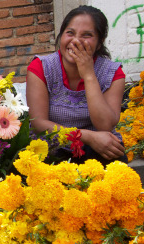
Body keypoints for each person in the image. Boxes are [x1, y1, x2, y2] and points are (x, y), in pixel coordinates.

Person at [26, 5, 128, 164]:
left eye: (87, 35)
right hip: (52, 146)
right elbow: (39, 124)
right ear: (61, 36)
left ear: (99, 43)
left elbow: (105, 125)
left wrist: (88, 75)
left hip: (97, 148)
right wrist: (86, 137)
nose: (76, 41)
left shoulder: (112, 73)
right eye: (70, 33)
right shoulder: (41, 67)